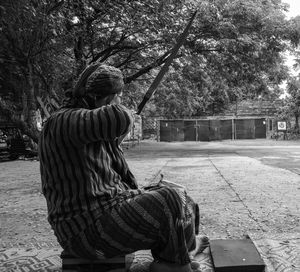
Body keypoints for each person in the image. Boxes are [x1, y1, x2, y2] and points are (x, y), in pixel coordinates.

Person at [39, 63, 208, 272]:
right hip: (84, 231)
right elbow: (118, 117)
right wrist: (126, 115)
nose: (121, 102)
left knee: (181, 195)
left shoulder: (85, 127)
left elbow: (112, 129)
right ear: (106, 98)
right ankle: (173, 265)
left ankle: (178, 255)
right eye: (119, 96)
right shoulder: (62, 120)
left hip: (104, 213)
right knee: (170, 200)